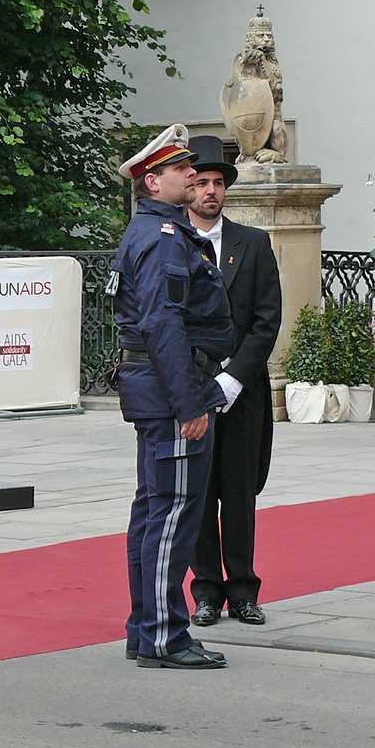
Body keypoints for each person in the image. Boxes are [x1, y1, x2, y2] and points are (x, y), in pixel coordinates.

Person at [112, 125, 236, 670]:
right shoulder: (162, 237)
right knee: (173, 515)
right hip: (171, 394)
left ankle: (147, 628)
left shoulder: (156, 232)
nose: (193, 174)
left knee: (154, 511)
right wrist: (191, 404)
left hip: (159, 391)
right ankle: (165, 634)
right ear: (152, 180)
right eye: (181, 168)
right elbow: (163, 327)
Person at [184, 142, 283, 628]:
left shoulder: (253, 242)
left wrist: (234, 377)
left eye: (218, 183)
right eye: (201, 183)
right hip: (193, 389)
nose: (210, 192)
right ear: (187, 188)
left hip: (242, 392)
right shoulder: (172, 242)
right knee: (198, 492)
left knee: (241, 493)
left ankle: (243, 589)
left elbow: (268, 321)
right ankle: (205, 591)